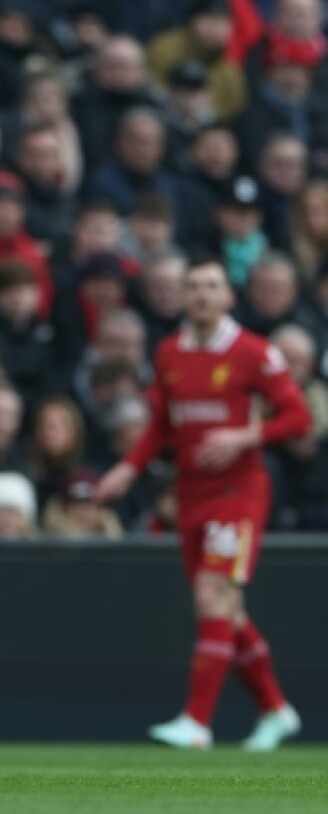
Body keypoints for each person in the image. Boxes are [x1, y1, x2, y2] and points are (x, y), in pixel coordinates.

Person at [97, 260, 310, 751]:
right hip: (191, 493)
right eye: (192, 286)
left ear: (228, 297)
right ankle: (276, 710)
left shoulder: (254, 352)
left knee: (214, 598)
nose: (200, 295)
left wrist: (245, 435)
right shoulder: (170, 352)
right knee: (226, 614)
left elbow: (298, 417)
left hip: (238, 493)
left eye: (211, 286)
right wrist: (129, 468)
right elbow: (161, 425)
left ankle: (196, 722)